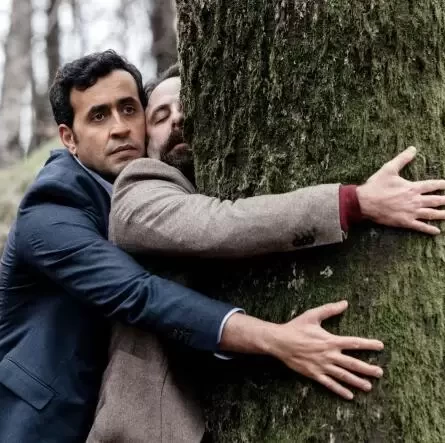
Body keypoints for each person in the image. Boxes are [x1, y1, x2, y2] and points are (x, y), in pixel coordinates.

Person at [0, 51, 386, 443]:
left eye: (129, 109)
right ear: (69, 138)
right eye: (98, 116)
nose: (120, 128)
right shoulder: (50, 209)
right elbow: (137, 293)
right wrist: (276, 339)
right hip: (38, 425)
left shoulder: (148, 185)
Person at [88, 63, 445, 442]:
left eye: (186, 107)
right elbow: (216, 224)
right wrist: (355, 202)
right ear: (145, 139)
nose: (176, 119)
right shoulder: (136, 189)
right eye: (160, 117)